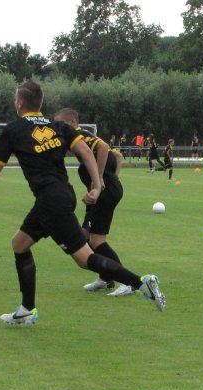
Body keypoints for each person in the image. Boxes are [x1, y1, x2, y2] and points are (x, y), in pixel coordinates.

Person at [0, 80, 165, 325]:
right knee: (19, 244)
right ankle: (26, 310)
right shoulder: (58, 127)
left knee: (84, 258)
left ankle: (141, 282)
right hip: (62, 195)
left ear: (19, 103)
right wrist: (96, 186)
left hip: (51, 201)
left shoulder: (14, 129)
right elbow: (86, 151)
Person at [54, 108, 135, 297]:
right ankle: (106, 278)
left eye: (62, 125)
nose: (59, 130)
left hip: (104, 193)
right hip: (100, 193)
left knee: (97, 241)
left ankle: (128, 282)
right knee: (84, 237)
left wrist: (99, 180)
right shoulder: (79, 139)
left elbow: (105, 147)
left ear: (73, 122)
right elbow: (118, 156)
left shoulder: (81, 134)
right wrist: (109, 179)